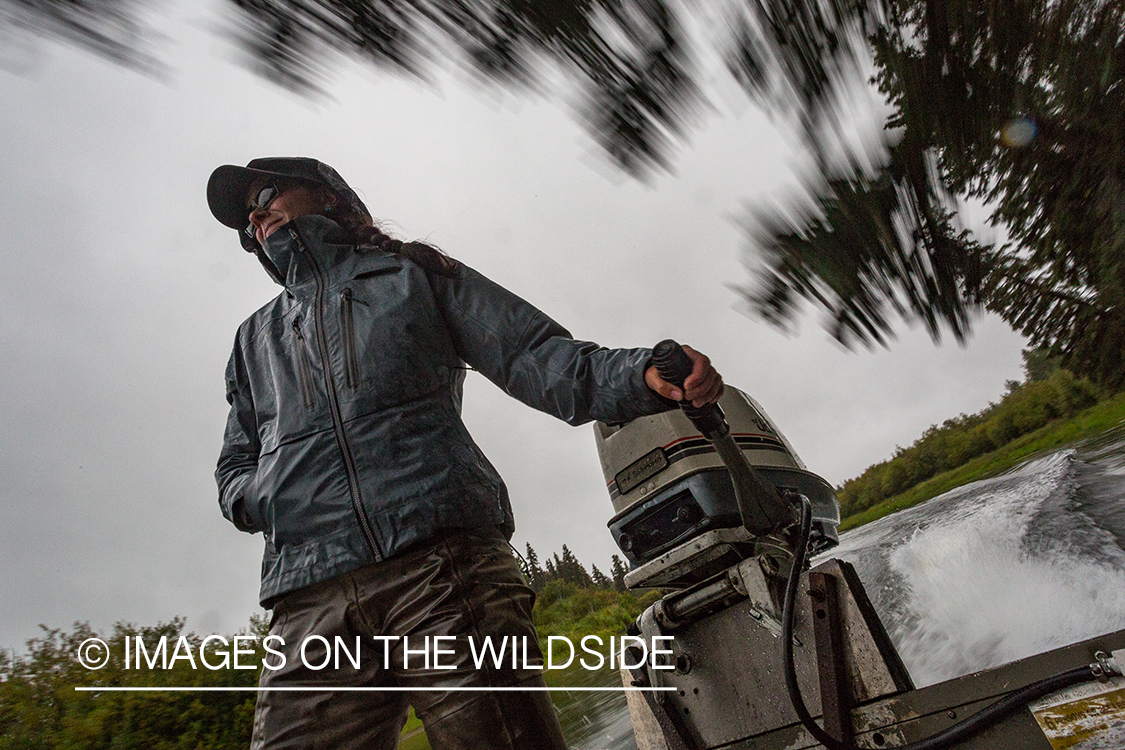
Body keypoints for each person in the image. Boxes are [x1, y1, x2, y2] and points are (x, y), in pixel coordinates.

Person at [207, 157, 723, 750]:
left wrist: (638, 376)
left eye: (267, 192)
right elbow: (234, 467)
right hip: (308, 598)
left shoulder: (413, 275)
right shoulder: (253, 340)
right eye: (246, 219)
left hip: (443, 570)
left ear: (328, 196)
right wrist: (269, 496)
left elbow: (537, 355)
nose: (257, 216)